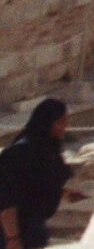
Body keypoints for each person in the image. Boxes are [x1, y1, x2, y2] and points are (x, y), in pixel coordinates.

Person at [0, 99, 77, 249]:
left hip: (34, 228)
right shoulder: (19, 153)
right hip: (16, 230)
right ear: (47, 122)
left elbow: (34, 185)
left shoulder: (46, 149)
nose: (64, 127)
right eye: (60, 122)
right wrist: (13, 238)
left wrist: (62, 193)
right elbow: (6, 199)